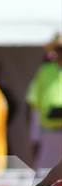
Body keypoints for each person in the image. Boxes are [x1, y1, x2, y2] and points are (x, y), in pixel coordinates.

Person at [26, 33, 62, 170]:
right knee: (45, 174)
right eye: (59, 49)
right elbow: (34, 104)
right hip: (49, 132)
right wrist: (35, 137)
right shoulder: (45, 71)